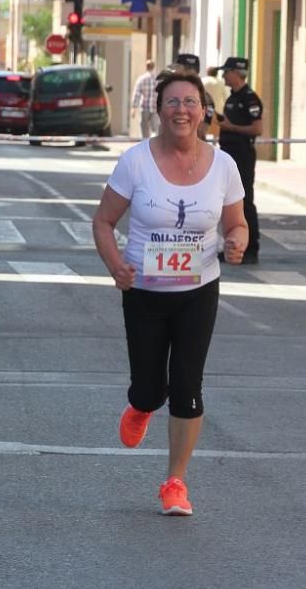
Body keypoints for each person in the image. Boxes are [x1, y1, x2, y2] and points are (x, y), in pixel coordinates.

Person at [92, 71, 249, 516]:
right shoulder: (135, 162)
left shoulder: (223, 166)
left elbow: (236, 223)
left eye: (191, 102)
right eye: (173, 102)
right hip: (143, 290)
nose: (182, 109)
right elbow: (103, 222)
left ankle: (175, 482)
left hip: (198, 289)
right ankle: (141, 405)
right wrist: (115, 265)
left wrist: (237, 240)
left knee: (187, 384)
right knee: (150, 387)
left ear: (204, 111)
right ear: (159, 110)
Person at [218, 57, 264, 265]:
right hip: (228, 154)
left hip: (242, 154)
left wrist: (230, 127)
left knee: (244, 201)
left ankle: (250, 248)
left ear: (238, 73)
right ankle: (232, 246)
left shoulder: (249, 98)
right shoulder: (232, 97)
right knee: (229, 202)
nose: (223, 76)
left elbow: (257, 129)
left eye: (226, 72)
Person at [172, 53, 216, 141]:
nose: (174, 72)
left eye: (177, 69)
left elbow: (200, 131)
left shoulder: (204, 98)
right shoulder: (171, 95)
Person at [131, 59, 159, 138]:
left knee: (144, 128)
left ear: (146, 67)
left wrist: (134, 107)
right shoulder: (158, 79)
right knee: (155, 128)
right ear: (154, 67)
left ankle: (145, 143)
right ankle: (153, 142)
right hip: (155, 107)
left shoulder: (141, 79)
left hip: (144, 107)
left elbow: (137, 93)